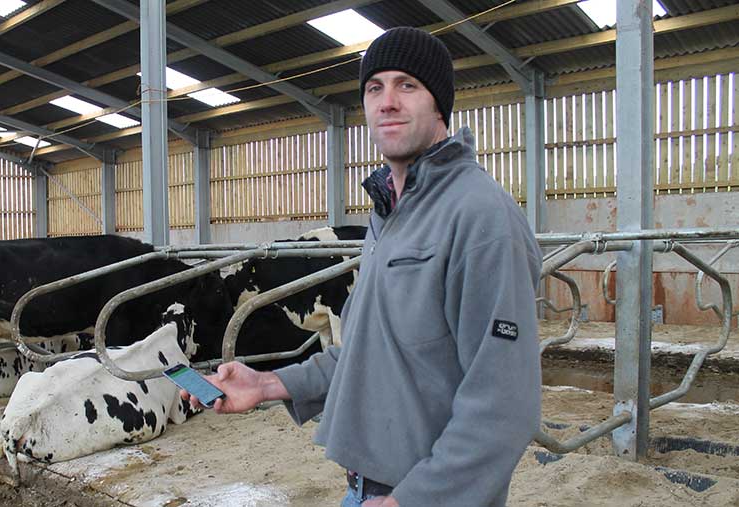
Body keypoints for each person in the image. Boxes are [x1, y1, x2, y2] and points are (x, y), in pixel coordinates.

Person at [182, 26, 542, 507]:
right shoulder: (388, 214)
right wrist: (268, 383)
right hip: (366, 490)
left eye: (407, 85)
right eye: (375, 87)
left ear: (440, 105)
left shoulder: (481, 217)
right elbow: (368, 353)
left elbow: (504, 405)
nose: (387, 101)